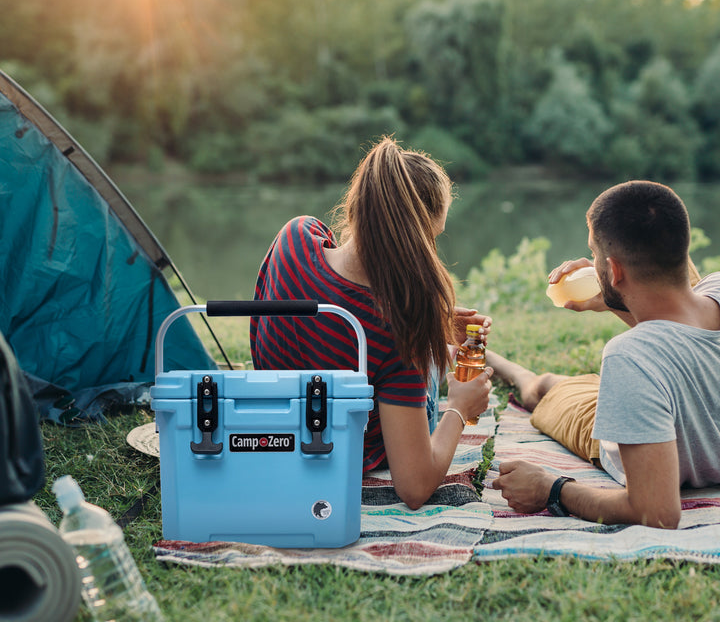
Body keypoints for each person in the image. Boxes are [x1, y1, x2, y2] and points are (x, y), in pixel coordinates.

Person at [250, 137, 494, 509]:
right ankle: (444, 363)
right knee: (430, 368)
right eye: (432, 237)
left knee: (416, 354)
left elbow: (338, 304)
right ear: (415, 238)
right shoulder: (399, 326)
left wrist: (436, 326)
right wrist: (459, 408)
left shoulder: (295, 237)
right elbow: (414, 487)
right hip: (342, 450)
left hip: (278, 428)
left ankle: (441, 352)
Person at [489, 180, 720, 529]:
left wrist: (551, 489)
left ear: (613, 270)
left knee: (543, 389)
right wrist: (614, 296)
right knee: (554, 384)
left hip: (621, 437)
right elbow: (679, 330)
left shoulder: (629, 358)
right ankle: (492, 359)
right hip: (659, 395)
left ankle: (494, 361)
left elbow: (656, 512)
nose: (591, 263)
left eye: (594, 255)